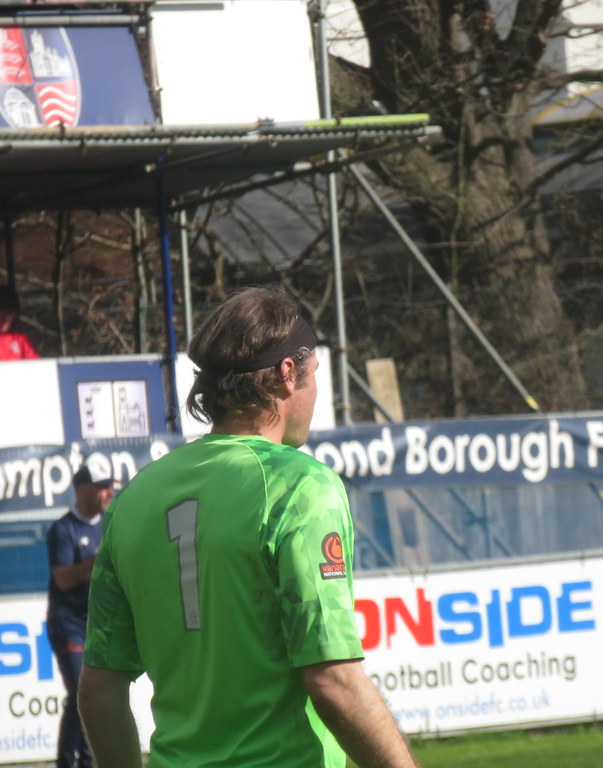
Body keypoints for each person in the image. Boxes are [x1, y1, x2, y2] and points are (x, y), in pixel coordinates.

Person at [79, 287, 420, 768]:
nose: (316, 392)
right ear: (286, 375)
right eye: (314, 375)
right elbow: (333, 681)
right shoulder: (299, 485)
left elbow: (99, 692)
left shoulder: (134, 497)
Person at [47, 454, 116, 768]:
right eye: (102, 487)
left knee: (97, 695)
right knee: (79, 692)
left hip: (98, 623)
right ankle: (65, 762)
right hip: (68, 623)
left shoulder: (110, 524)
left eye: (110, 486)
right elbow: (62, 580)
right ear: (83, 490)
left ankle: (88, 762)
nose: (108, 492)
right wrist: (96, 560)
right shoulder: (63, 529)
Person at [0, 284, 40, 360]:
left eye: (8, 313)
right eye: (1, 313)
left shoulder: (20, 340)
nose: (3, 318)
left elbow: (37, 365)